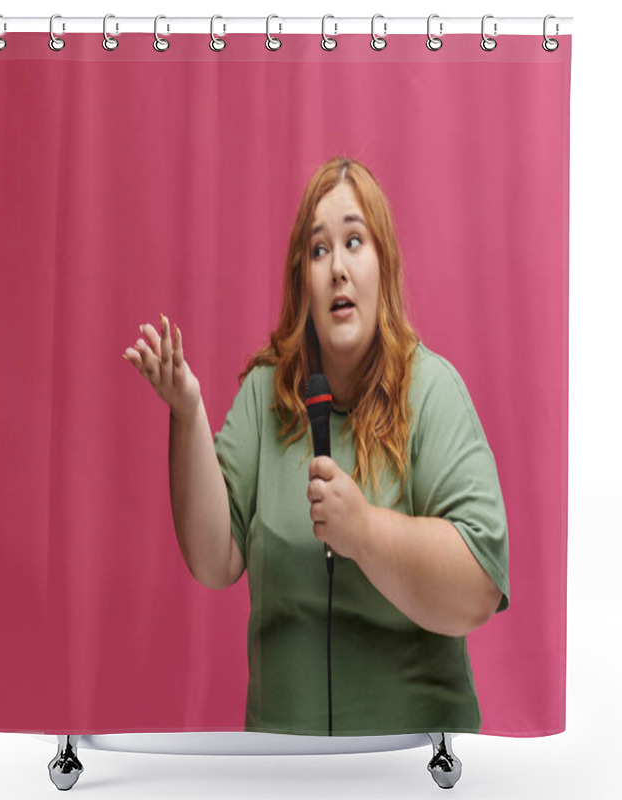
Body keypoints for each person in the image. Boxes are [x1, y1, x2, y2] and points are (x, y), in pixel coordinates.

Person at [123, 156, 510, 736]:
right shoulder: (264, 393)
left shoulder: (433, 391)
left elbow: (478, 586)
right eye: (319, 250)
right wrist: (188, 412)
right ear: (301, 277)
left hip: (410, 767)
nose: (337, 269)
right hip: (282, 769)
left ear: (384, 264)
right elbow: (213, 558)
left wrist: (365, 532)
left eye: (355, 241)